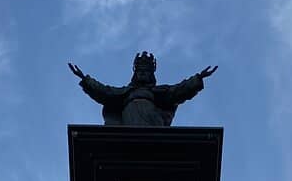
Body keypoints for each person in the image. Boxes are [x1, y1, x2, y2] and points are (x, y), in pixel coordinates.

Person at [68, 52, 217, 127]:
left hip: (152, 116)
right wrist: (85, 79)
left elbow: (179, 90)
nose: (142, 74)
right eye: (140, 71)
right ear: (135, 74)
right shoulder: (125, 93)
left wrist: (197, 79)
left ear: (151, 74)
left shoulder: (158, 92)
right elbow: (105, 92)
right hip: (129, 115)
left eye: (146, 71)